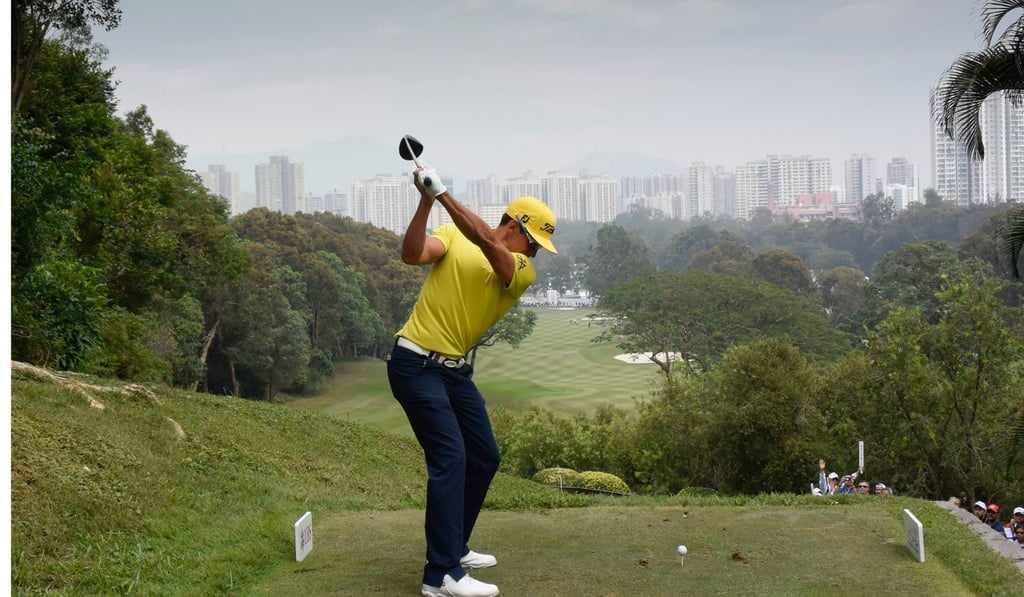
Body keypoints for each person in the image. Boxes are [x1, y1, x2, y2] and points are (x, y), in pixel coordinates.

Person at [387, 166, 557, 597]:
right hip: (415, 365)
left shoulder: (519, 269)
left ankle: (453, 546)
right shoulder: (452, 233)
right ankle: (440, 576)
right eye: (534, 241)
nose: (535, 253)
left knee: (484, 457)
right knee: (451, 459)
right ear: (515, 226)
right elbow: (412, 254)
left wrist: (442, 193)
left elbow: (485, 241)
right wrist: (426, 201)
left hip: (453, 372)